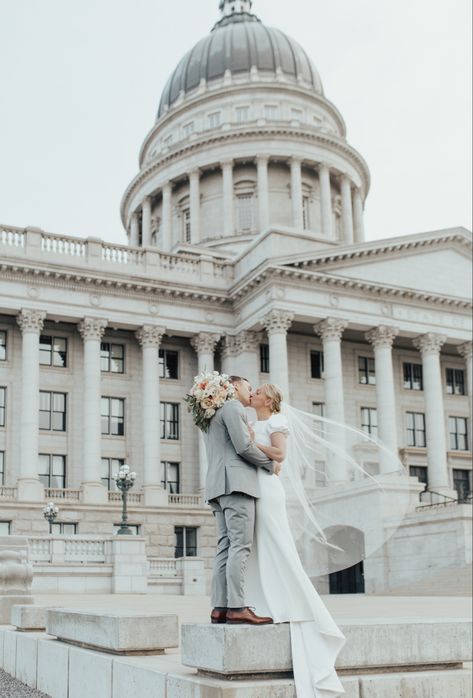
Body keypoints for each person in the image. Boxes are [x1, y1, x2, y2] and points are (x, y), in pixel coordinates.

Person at [245, 383, 346, 697]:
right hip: (255, 485)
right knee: (260, 545)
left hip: (269, 489)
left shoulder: (276, 422)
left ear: (270, 399)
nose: (253, 393)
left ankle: (293, 601)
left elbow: (279, 454)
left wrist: (253, 444)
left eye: (258, 390)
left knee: (277, 542)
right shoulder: (252, 422)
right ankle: (264, 600)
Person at [204, 375, 276, 626]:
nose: (251, 391)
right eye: (248, 387)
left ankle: (220, 607)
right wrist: (270, 464)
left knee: (225, 546)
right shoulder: (232, 407)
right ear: (235, 387)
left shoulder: (212, 413)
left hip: (217, 486)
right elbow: (243, 446)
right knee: (240, 546)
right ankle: (237, 607)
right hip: (236, 485)